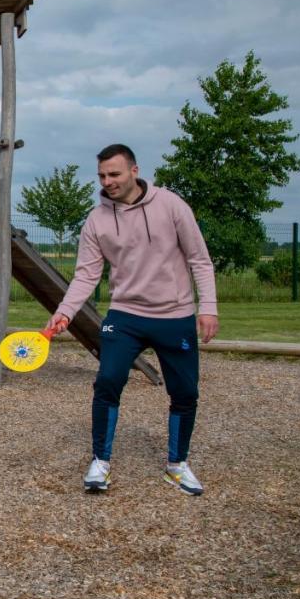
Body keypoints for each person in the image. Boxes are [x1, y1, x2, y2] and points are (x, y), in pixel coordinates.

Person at [44, 144, 219, 496]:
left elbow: (199, 259)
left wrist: (208, 306)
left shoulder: (171, 205)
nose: (107, 181)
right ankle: (100, 463)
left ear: (134, 171)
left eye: (115, 174)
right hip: (125, 315)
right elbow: (86, 275)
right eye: (102, 176)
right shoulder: (97, 220)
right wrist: (65, 311)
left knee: (185, 392)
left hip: (175, 314)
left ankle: (177, 465)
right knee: (107, 380)